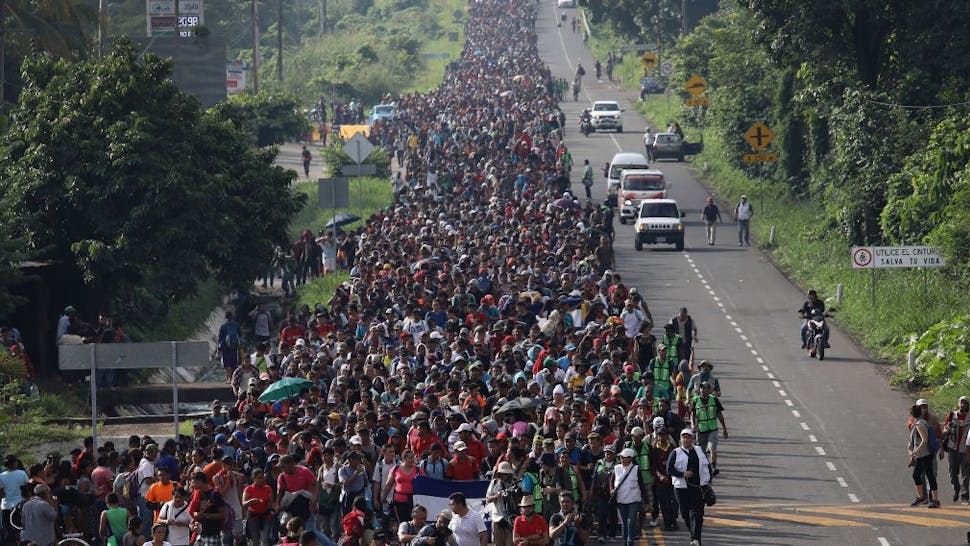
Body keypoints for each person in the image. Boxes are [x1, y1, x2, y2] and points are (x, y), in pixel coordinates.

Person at [667, 429, 712, 546]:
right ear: (680, 439)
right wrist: (682, 474)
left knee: (697, 513)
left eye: (688, 437)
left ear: (693, 439)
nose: (686, 439)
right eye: (684, 437)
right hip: (681, 488)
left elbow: (708, 466)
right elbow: (669, 469)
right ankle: (694, 536)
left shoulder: (699, 450)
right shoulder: (675, 452)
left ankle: (696, 539)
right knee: (685, 513)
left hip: (698, 487)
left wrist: (709, 481)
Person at [689, 382, 727, 476]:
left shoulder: (714, 400)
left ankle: (713, 467)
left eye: (705, 388)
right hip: (701, 429)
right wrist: (693, 425)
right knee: (701, 451)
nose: (702, 390)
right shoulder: (695, 400)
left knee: (712, 448)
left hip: (712, 428)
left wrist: (724, 428)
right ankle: (706, 467)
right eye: (701, 388)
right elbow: (692, 414)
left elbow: (719, 414)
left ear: (709, 390)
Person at [909, 402, 941, 508]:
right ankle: (922, 497)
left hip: (924, 455)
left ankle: (932, 499)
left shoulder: (919, 424)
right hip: (923, 455)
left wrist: (916, 451)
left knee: (927, 476)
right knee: (920, 475)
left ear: (912, 414)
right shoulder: (922, 422)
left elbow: (924, 440)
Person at [611, 449, 642, 546]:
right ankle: (625, 541)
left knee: (631, 521)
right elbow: (611, 482)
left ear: (630, 458)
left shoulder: (636, 469)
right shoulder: (616, 468)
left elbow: (641, 485)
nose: (622, 459)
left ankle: (630, 541)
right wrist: (611, 489)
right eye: (621, 457)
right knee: (624, 523)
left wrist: (647, 500)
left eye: (624, 457)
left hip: (633, 499)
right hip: (621, 500)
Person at [944, 396, 970, 503]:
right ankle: (956, 489)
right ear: (958, 403)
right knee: (953, 474)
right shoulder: (951, 416)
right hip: (952, 449)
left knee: (966, 474)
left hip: (965, 450)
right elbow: (944, 430)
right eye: (961, 402)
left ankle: (965, 496)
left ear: (968, 405)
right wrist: (946, 431)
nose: (963, 405)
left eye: (965, 403)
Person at [486, 462, 518, 546]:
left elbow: (522, 496)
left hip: (511, 517)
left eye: (506, 474)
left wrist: (513, 494)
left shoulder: (516, 482)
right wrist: (497, 496)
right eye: (502, 473)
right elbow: (488, 499)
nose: (504, 476)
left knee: (511, 543)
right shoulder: (494, 483)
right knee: (498, 543)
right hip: (498, 517)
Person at [0, 454, 28, 544]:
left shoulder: (1, 476)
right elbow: (26, 488)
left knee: (8, 531)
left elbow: (1, 494)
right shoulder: (22, 473)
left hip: (6, 507)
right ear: (15, 463)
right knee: (21, 530)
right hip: (20, 506)